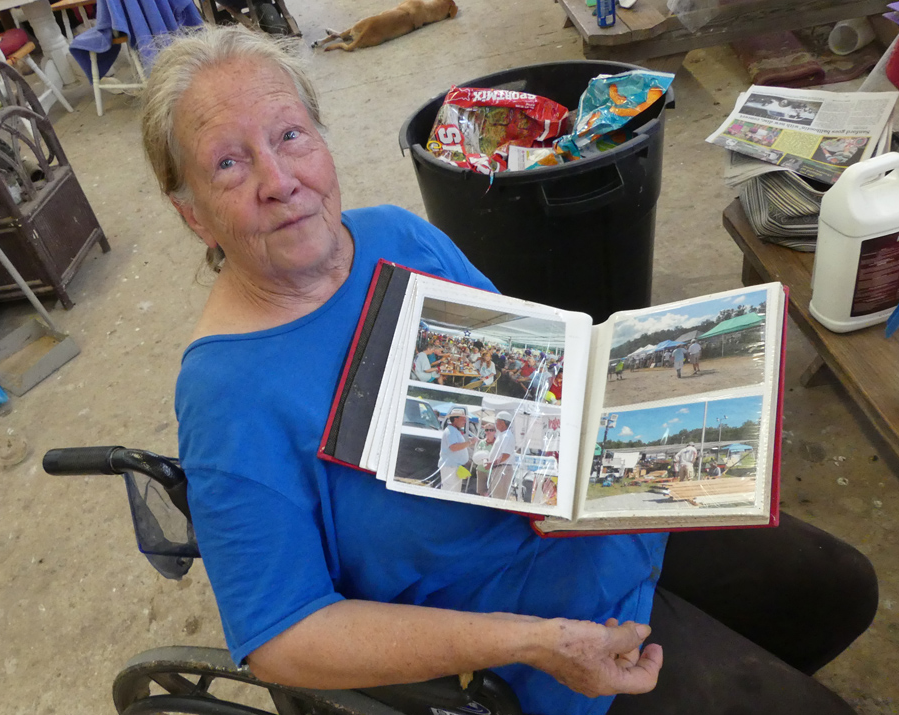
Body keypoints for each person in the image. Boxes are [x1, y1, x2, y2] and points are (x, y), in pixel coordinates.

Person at [149, 25, 877, 715]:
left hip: (592, 510)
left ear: (320, 139)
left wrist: (671, 387)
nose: (279, 179)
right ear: (193, 215)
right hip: (511, 626)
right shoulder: (226, 394)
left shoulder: (394, 236)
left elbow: (541, 365)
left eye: (289, 135)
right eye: (228, 162)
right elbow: (281, 637)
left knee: (841, 589)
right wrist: (532, 640)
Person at [484, 410, 518, 500]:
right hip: (499, 468)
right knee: (496, 495)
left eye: (497, 421)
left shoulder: (506, 436)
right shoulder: (503, 435)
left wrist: (491, 463)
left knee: (499, 497)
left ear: (502, 422)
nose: (495, 423)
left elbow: (505, 455)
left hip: (503, 469)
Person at [439, 408, 473, 492]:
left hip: (454, 466)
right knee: (448, 491)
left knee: (454, 491)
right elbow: (454, 447)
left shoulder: (454, 431)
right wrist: (470, 442)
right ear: (455, 419)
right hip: (450, 466)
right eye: (463, 419)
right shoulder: (451, 431)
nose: (465, 421)